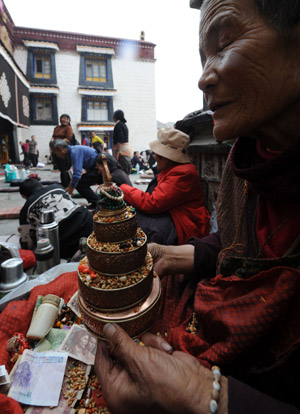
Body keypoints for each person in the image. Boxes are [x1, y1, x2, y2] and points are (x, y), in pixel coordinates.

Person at [93, 0, 300, 412]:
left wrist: (203, 396)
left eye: (224, 41)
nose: (204, 78)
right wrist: (183, 255)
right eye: (203, 58)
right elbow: (237, 243)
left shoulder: (185, 174)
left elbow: (154, 201)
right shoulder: (248, 163)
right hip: (184, 240)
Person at [120, 128, 210, 245]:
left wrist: (123, 188)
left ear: (167, 157)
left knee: (133, 223)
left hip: (185, 225)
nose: (155, 157)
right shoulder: (170, 170)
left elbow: (152, 202)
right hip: (173, 216)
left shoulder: (183, 174)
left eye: (158, 154)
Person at [19, 178, 93, 258]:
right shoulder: (57, 187)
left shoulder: (26, 209)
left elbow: (26, 244)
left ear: (24, 196)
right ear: (41, 185)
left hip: (65, 242)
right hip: (89, 224)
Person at [52, 140, 100, 209]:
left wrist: (69, 194)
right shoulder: (74, 150)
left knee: (80, 184)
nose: (57, 156)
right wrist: (69, 187)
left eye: (56, 153)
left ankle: (97, 203)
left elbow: (77, 175)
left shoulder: (75, 152)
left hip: (99, 170)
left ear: (60, 149)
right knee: (79, 183)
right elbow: (75, 174)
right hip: (95, 168)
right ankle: (95, 202)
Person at [50, 114, 78, 187]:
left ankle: (67, 183)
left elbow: (68, 139)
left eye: (66, 118)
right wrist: (52, 143)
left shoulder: (68, 128)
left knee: (65, 167)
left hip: (63, 148)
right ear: (60, 119)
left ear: (68, 120)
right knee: (60, 167)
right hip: (55, 148)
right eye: (63, 118)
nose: (65, 120)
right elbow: (53, 137)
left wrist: (59, 144)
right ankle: (64, 182)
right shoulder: (56, 128)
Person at [112, 109, 132, 174]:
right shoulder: (124, 125)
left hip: (121, 151)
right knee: (125, 172)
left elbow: (119, 140)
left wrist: (116, 153)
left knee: (122, 172)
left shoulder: (118, 125)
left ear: (115, 117)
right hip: (126, 150)